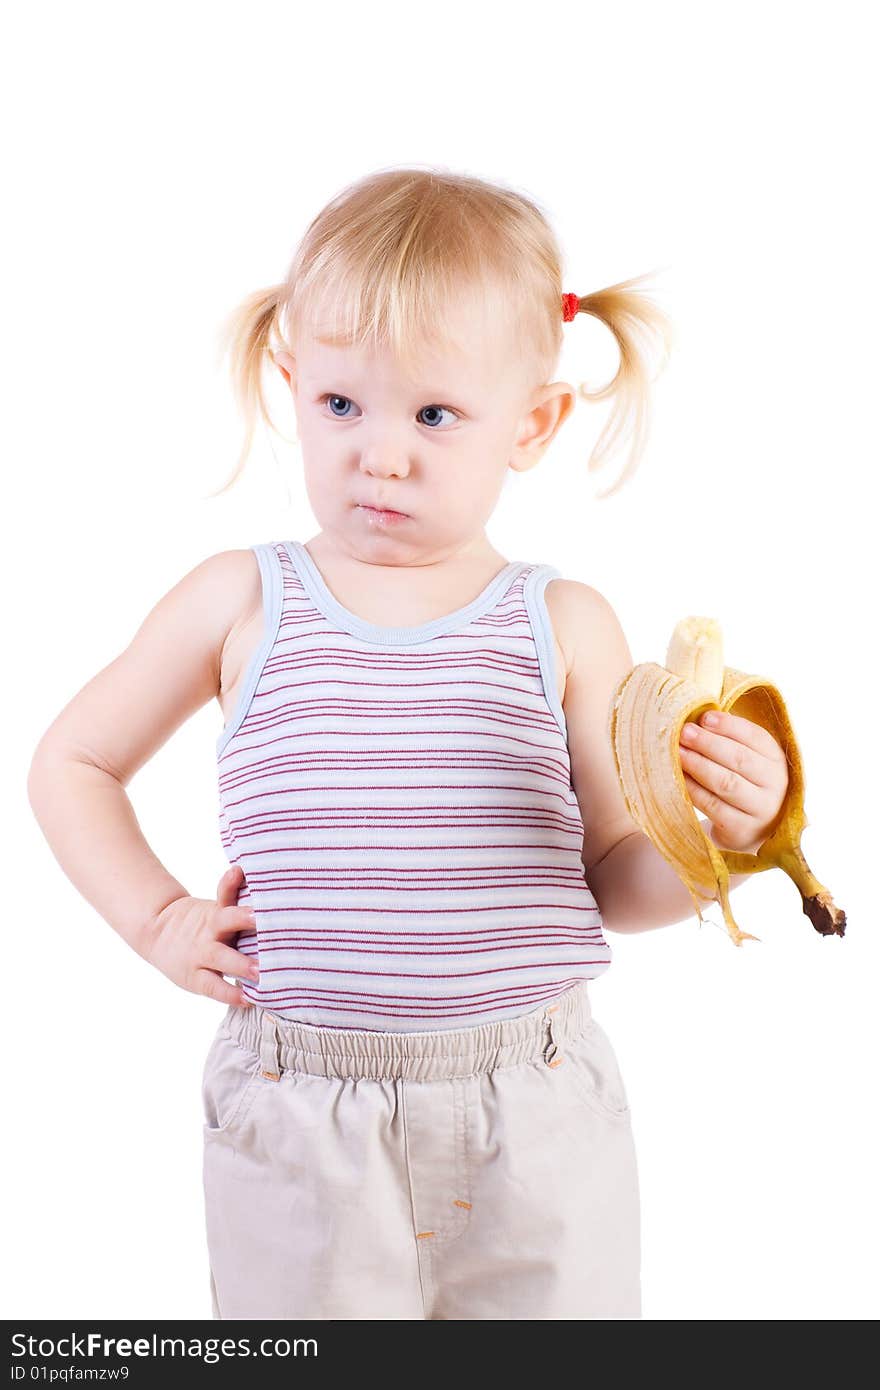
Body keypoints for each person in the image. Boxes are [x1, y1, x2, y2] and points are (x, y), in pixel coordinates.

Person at [27, 166, 791, 1321]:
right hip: (299, 1110)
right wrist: (158, 917)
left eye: (434, 414)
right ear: (292, 381)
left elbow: (615, 883)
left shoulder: (562, 622)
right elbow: (71, 763)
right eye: (342, 405)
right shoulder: (240, 598)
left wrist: (721, 840)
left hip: (530, 1111)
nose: (380, 454)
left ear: (530, 421)